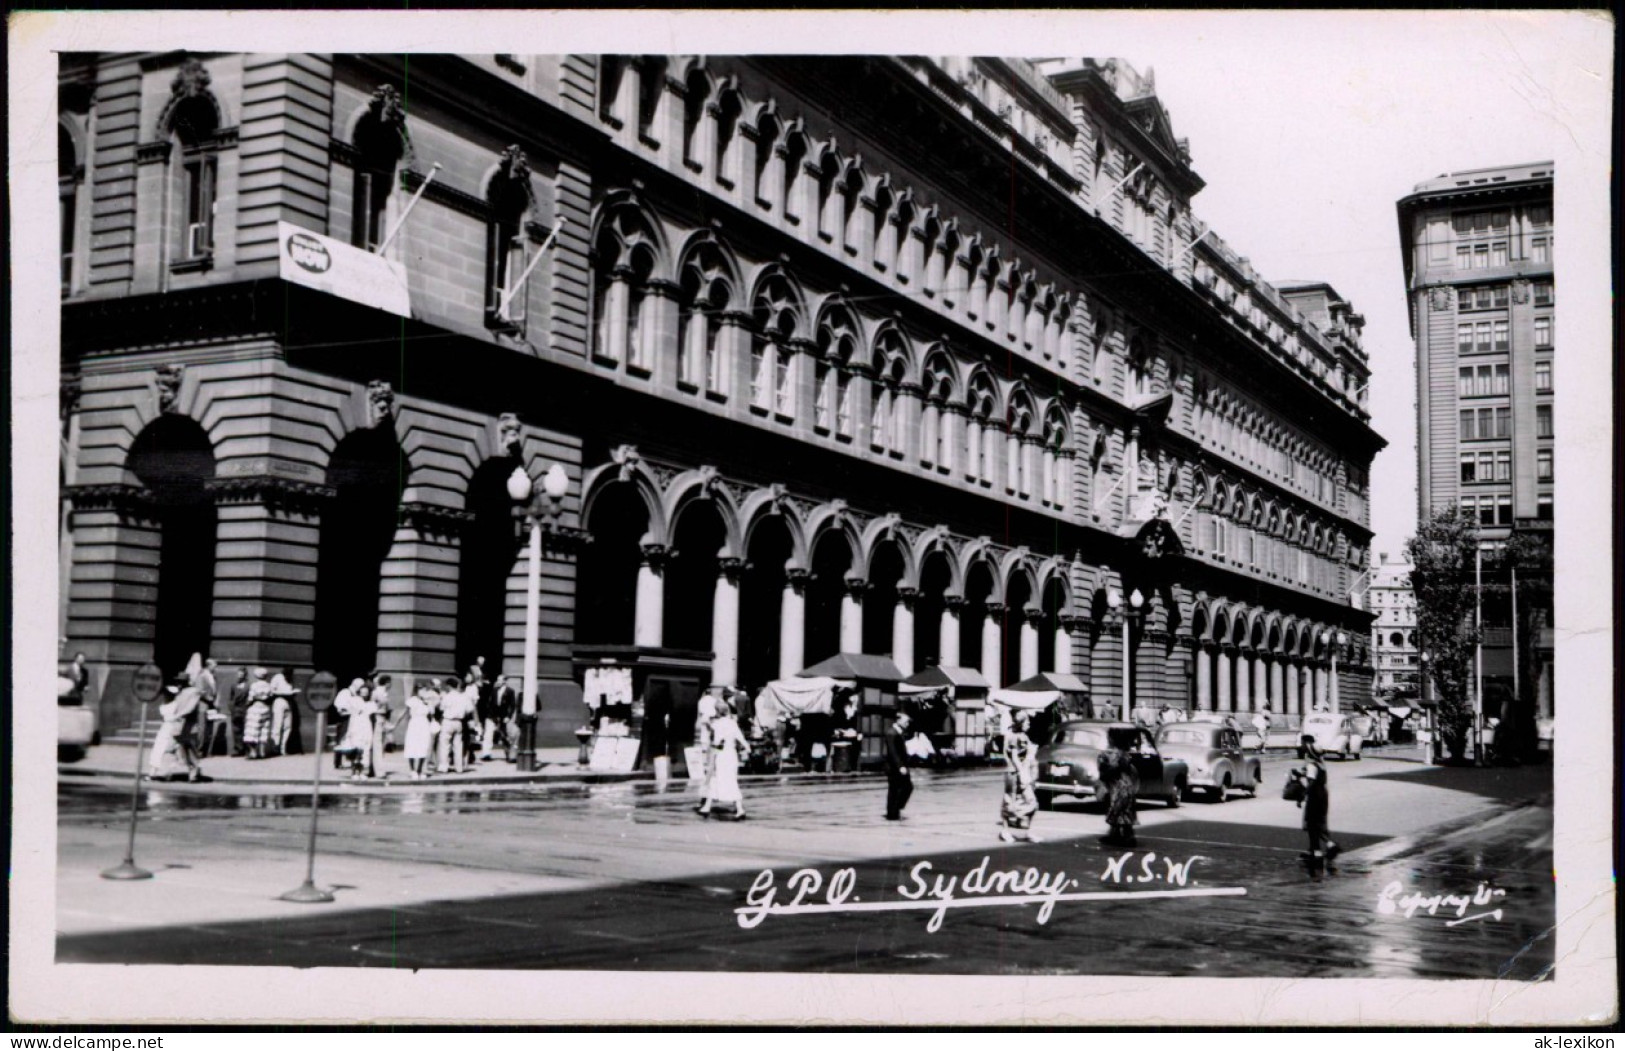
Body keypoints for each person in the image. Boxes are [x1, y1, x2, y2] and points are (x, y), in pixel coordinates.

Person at [698, 698, 748, 820]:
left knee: (717, 778)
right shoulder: (732, 723)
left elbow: (717, 742)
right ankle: (709, 806)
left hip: (722, 755)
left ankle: (737, 808)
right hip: (732, 755)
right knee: (729, 780)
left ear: (717, 712)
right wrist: (747, 747)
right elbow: (740, 738)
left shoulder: (717, 725)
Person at [1294, 743, 1338, 878]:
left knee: (1312, 824)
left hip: (1315, 796)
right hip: (1323, 795)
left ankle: (1317, 854)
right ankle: (1329, 845)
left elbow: (1311, 782)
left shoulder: (1312, 766)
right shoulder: (1321, 764)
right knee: (1319, 821)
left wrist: (1302, 796)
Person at [999, 710, 1042, 843]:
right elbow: (1014, 756)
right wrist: (1023, 774)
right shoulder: (1017, 737)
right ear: (1021, 723)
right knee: (1011, 802)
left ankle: (1026, 829)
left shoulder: (1020, 736)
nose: (1029, 723)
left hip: (1017, 773)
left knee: (1031, 802)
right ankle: (1006, 830)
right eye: (1027, 721)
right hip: (1015, 774)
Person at [1098, 729, 1140, 847]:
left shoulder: (1108, 754)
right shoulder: (1124, 754)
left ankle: (1122, 836)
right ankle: (1122, 835)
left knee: (1116, 810)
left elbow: (1105, 771)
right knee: (1123, 811)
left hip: (1117, 787)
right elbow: (1130, 770)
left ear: (1110, 739)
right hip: (1127, 786)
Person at [334, 679, 376, 780]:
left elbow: (373, 717)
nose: (364, 694)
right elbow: (342, 709)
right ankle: (354, 772)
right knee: (355, 749)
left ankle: (361, 771)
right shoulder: (354, 700)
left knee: (364, 750)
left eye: (366, 692)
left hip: (366, 727)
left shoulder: (371, 704)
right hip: (355, 726)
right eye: (362, 691)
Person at [404, 680, 440, 780]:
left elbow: (431, 715)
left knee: (423, 747)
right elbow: (406, 714)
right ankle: (412, 770)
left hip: (424, 725)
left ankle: (419, 769)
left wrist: (429, 706)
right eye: (421, 690)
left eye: (424, 690)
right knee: (412, 747)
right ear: (416, 690)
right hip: (414, 724)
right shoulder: (412, 700)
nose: (423, 692)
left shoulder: (427, 702)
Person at [883, 710, 914, 821]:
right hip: (895, 767)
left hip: (899, 766)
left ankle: (894, 810)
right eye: (906, 721)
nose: (907, 723)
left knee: (903, 788)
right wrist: (900, 766)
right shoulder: (892, 733)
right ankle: (893, 813)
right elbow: (893, 752)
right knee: (897, 789)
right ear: (898, 720)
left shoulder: (898, 732)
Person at [437, 675, 473, 774]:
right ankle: (459, 767)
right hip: (459, 722)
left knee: (445, 744)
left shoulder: (446, 697)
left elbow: (441, 708)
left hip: (448, 721)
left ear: (449, 686)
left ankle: (444, 766)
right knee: (458, 745)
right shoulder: (463, 697)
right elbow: (470, 709)